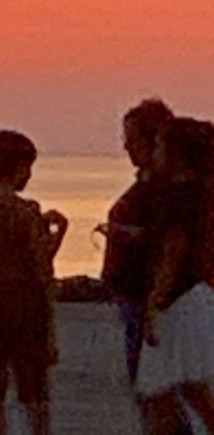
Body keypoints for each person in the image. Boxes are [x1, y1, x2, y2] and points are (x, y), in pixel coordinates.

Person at [0, 129, 67, 435]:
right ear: (18, 168)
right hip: (24, 295)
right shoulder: (27, 210)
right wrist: (60, 232)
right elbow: (41, 262)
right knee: (34, 384)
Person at [135, 116, 214, 431]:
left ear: (176, 154)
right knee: (189, 386)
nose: (154, 153)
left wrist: (155, 300)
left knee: (159, 389)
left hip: (178, 301)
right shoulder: (201, 192)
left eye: (158, 146)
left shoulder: (179, 194)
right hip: (196, 297)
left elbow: (174, 249)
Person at [103, 99, 178, 390]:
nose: (126, 147)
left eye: (131, 139)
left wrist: (127, 233)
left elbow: (169, 240)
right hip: (133, 295)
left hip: (149, 297)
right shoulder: (147, 184)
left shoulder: (165, 189)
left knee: (154, 385)